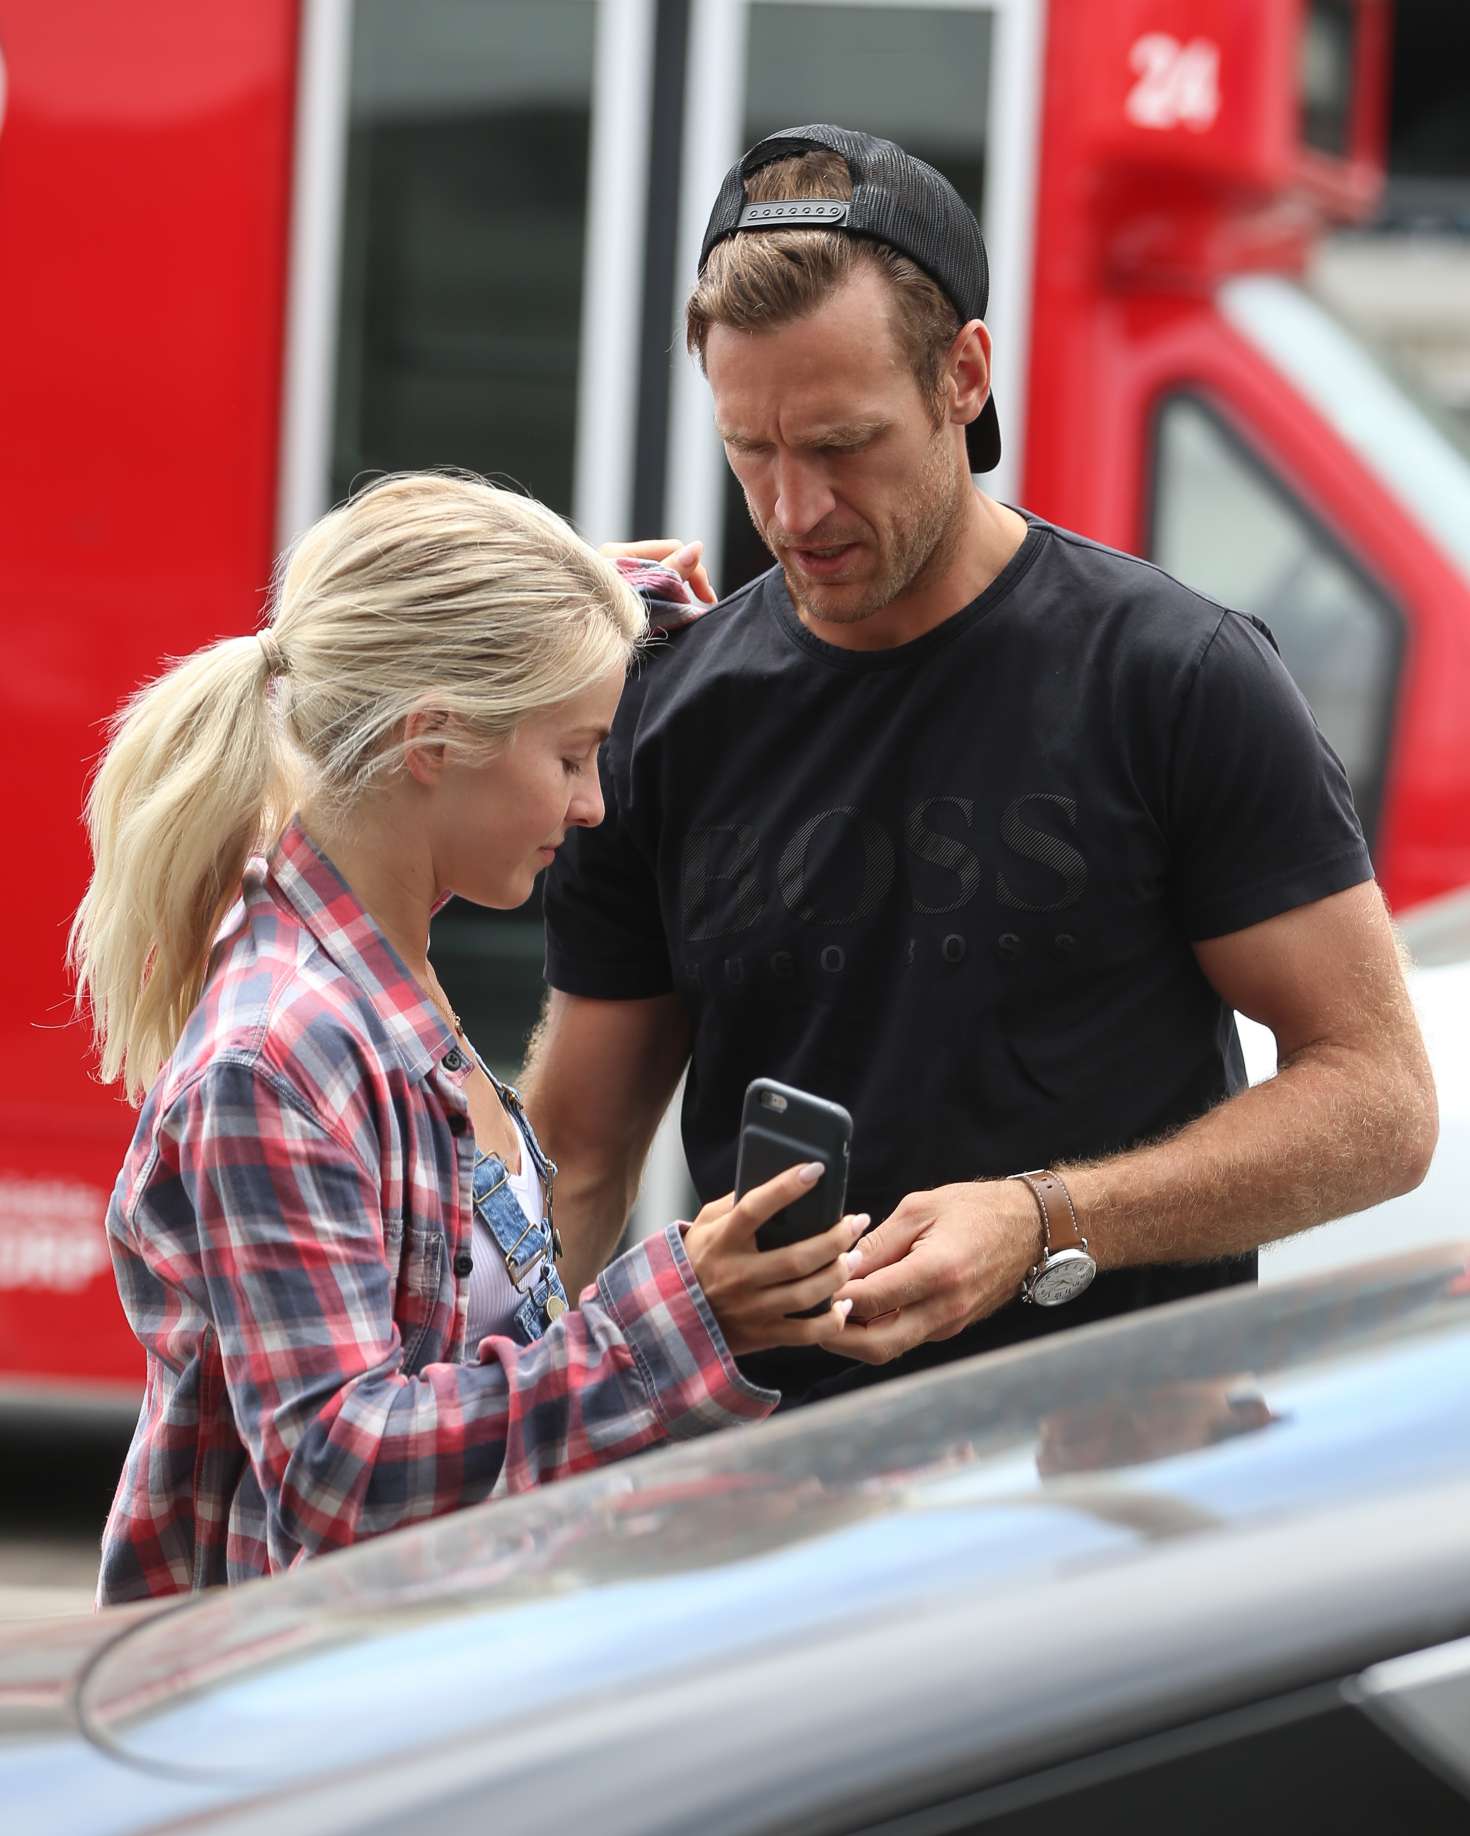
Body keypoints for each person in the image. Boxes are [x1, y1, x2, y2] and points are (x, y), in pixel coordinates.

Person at [524, 123, 1438, 1409]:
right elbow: (576, 1156)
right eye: (752, 449)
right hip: (775, 1485)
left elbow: (1381, 1106)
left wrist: (1046, 1221)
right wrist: (501, 1433)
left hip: (1114, 1478)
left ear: (963, 375)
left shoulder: (1172, 676)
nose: (793, 510)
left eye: (842, 444)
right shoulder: (666, 714)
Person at [69, 472, 861, 1605]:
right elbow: (342, 1474)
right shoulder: (279, 1061)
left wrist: (602, 598)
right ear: (433, 740)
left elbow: (417, 679)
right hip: (312, 1701)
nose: (591, 805)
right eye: (572, 756)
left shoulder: (372, 939)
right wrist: (679, 1319)